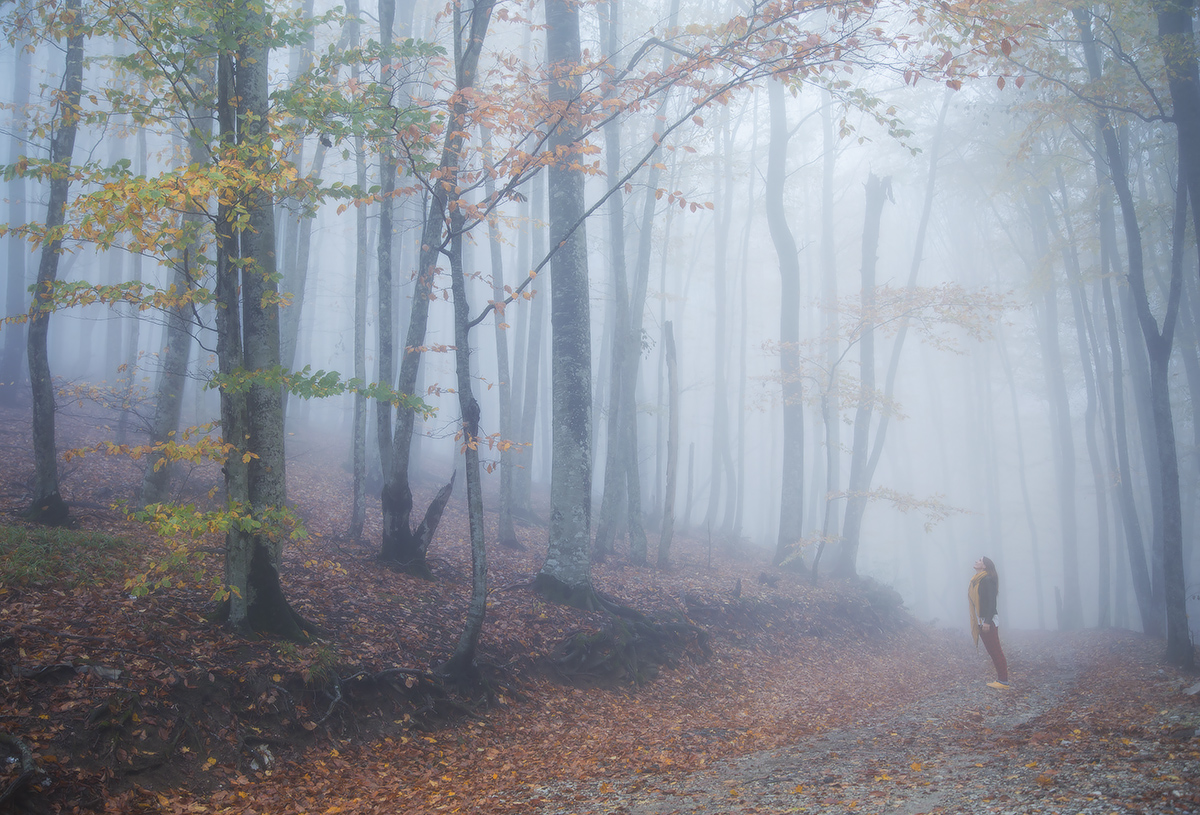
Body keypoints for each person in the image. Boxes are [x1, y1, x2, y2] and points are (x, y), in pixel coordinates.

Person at [968, 556, 1010, 689]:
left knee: (996, 650)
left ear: (985, 566)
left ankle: (1003, 681)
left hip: (988, 620)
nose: (976, 561)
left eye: (979, 560)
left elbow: (992, 602)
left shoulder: (987, 580)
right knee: (992, 651)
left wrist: (987, 621)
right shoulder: (976, 581)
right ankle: (1001, 679)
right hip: (981, 619)